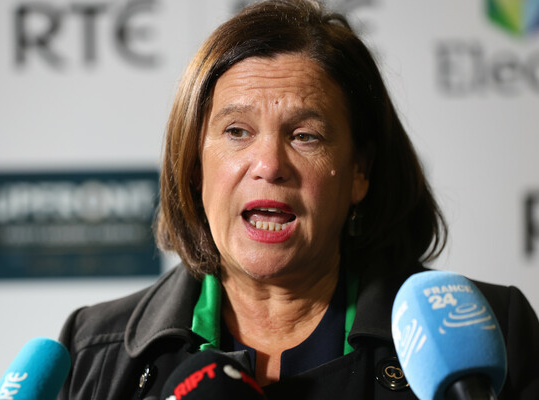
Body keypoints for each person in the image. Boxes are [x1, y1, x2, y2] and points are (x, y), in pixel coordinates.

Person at [57, 1, 539, 399]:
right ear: (195, 165)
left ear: (359, 172)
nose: (269, 164)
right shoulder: (94, 351)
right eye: (237, 131)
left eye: (305, 136)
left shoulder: (494, 332)